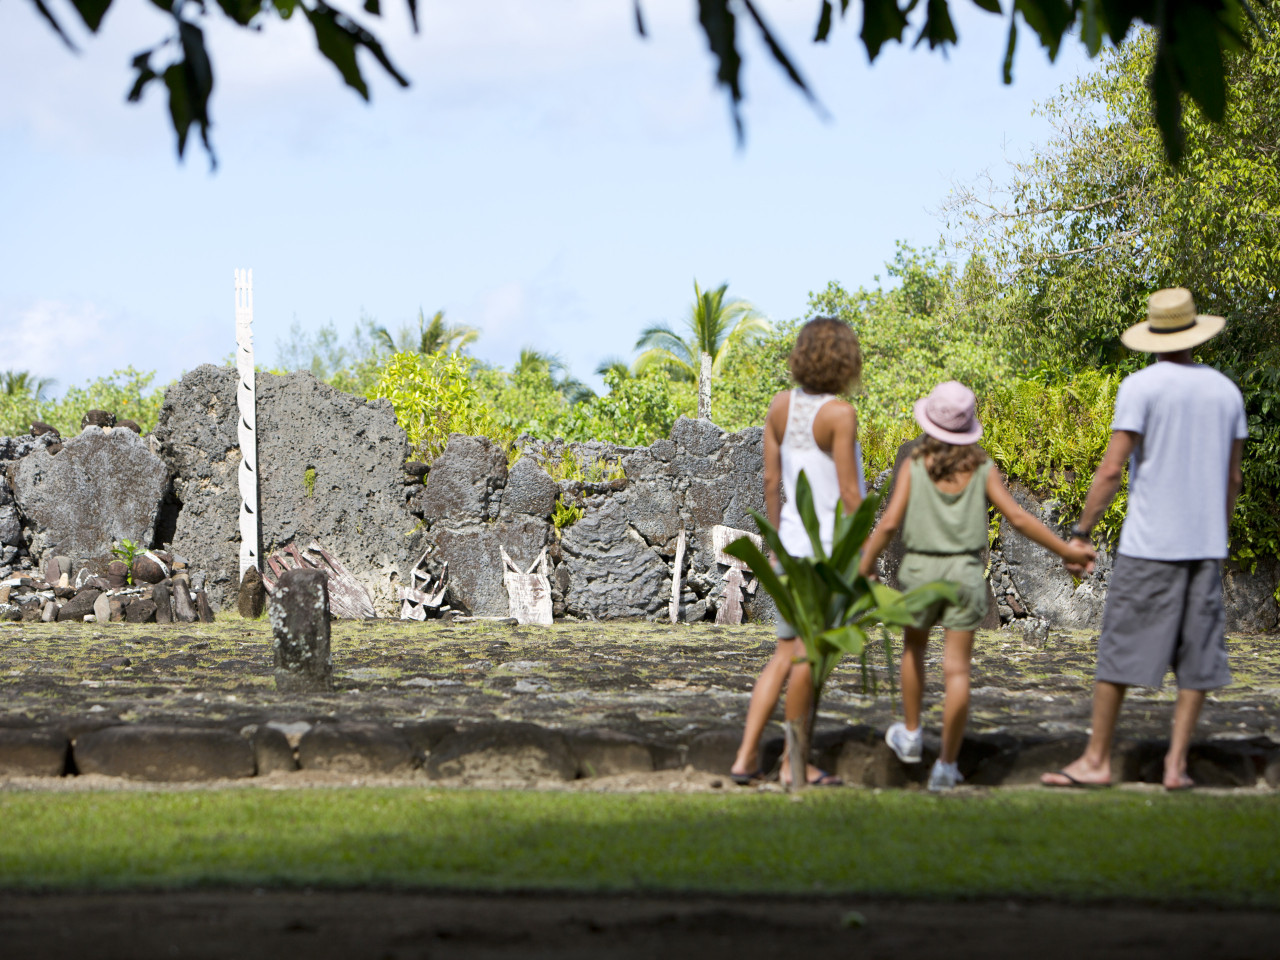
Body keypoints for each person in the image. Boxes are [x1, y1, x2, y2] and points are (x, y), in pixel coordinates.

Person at [1042, 287, 1247, 791]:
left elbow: (1112, 469)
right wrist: (1214, 532)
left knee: (1118, 651)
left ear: (1153, 335)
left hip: (1150, 544)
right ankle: (1176, 765)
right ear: (1195, 334)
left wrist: (1081, 531)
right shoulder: (1226, 392)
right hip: (1204, 546)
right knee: (1198, 656)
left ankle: (1096, 759)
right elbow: (1233, 479)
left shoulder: (1142, 386)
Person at [859, 381, 1096, 791]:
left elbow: (891, 522)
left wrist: (865, 562)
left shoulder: (916, 462)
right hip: (965, 577)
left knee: (913, 651)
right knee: (957, 672)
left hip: (919, 574)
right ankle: (946, 766)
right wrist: (1066, 550)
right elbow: (1019, 519)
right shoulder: (982, 466)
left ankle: (912, 735)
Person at [729, 317, 866, 787]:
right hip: (826, 556)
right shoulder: (839, 415)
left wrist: (773, 545)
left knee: (784, 654)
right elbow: (851, 497)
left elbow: (771, 483)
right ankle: (792, 763)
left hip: (790, 548)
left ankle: (747, 757)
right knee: (806, 656)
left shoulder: (780, 406)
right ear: (844, 361)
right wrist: (862, 558)